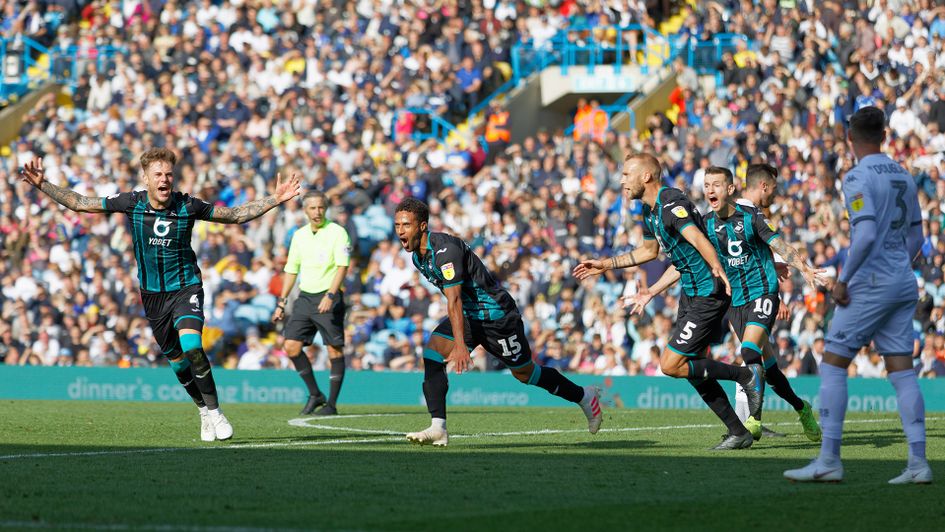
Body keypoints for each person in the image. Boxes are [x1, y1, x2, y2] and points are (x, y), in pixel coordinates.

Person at [20, 149, 301, 441]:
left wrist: (275, 200)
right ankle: (202, 411)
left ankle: (216, 412)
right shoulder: (132, 202)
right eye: (158, 174)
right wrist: (44, 185)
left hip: (185, 288)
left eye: (169, 174)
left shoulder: (188, 205)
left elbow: (234, 215)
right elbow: (81, 203)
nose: (165, 179)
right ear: (146, 178)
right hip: (153, 297)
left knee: (192, 345)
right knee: (178, 363)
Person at [573, 153, 763, 450]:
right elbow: (649, 252)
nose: (621, 180)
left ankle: (744, 375)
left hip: (707, 293)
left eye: (626, 174)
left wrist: (718, 269)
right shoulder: (648, 211)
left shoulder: (672, 203)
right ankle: (738, 432)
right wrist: (609, 265)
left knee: (671, 364)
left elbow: (699, 240)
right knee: (692, 369)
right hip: (689, 292)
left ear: (646, 176)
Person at [784, 106, 931, 484]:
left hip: (871, 281)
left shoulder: (857, 176)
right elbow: (918, 237)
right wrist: (899, 261)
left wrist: (844, 280)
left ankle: (829, 459)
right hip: (902, 280)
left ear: (850, 137)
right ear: (884, 134)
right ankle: (918, 464)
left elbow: (864, 236)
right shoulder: (904, 175)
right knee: (902, 370)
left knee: (833, 362)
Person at [627, 165, 825, 442]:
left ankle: (753, 420)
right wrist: (652, 290)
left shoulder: (751, 216)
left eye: (717, 185)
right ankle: (801, 407)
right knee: (770, 370)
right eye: (707, 185)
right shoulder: (706, 224)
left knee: (749, 350)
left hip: (762, 292)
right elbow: (685, 264)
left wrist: (803, 268)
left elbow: (779, 244)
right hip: (735, 301)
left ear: (730, 189)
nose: (710, 190)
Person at [393, 197, 602, 447]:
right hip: (470, 318)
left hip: (498, 318)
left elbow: (455, 300)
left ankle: (583, 395)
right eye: (397, 225)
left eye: (406, 225)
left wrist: (460, 345)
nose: (400, 231)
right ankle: (438, 427)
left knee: (525, 373)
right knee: (432, 355)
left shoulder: (445, 250)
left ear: (423, 226)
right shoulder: (418, 256)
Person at [273, 192, 351, 416]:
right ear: (305, 211)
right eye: (312, 208)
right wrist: (282, 301)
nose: (317, 212)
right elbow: (291, 269)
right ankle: (315, 394)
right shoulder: (299, 236)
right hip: (305, 297)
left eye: (320, 208)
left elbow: (342, 266)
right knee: (290, 346)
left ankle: (332, 405)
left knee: (334, 350)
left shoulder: (338, 232)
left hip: (329, 296)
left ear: (325, 209)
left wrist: (330, 295)